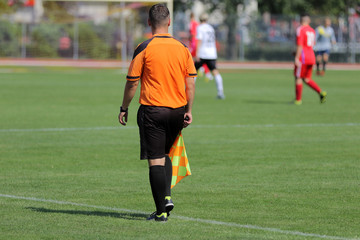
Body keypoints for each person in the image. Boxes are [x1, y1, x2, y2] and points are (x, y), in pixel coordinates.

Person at [118, 3, 196, 222]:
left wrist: (124, 108)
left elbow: (132, 83)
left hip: (153, 110)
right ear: (169, 22)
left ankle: (161, 211)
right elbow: (190, 83)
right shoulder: (182, 48)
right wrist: (188, 110)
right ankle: (167, 197)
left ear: (149, 22)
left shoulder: (144, 47)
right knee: (166, 152)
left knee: (155, 160)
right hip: (177, 111)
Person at [294, 13, 327, 105]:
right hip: (311, 56)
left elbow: (300, 45)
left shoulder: (300, 29)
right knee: (307, 79)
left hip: (303, 57)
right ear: (309, 21)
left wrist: (296, 57)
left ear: (301, 21)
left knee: (298, 77)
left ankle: (298, 100)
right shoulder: (312, 30)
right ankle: (321, 92)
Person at [195, 13, 225, 99]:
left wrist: (197, 53)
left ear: (200, 20)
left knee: (193, 72)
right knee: (215, 72)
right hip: (212, 53)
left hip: (203, 53)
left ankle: (188, 91)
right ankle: (220, 92)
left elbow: (199, 40)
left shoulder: (200, 28)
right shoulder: (211, 28)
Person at [189, 12, 213, 82]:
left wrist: (190, 38)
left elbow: (193, 34)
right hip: (195, 42)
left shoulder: (193, 24)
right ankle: (206, 72)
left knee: (193, 59)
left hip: (194, 42)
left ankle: (200, 71)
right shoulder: (196, 24)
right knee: (199, 60)